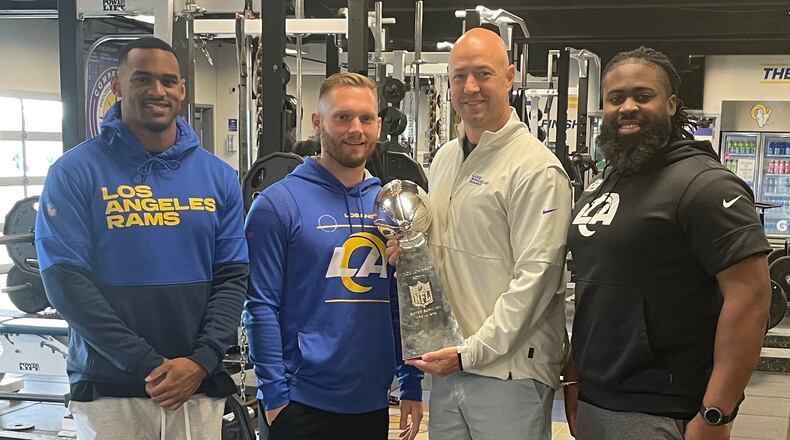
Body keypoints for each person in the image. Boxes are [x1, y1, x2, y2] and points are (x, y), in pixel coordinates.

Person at [35, 37, 249, 439]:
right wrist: (147, 364)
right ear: (117, 85)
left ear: (182, 90)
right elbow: (65, 282)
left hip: (196, 384)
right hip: (110, 391)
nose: (157, 91)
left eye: (169, 81)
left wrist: (201, 361)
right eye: (143, 79)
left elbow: (233, 278)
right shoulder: (74, 172)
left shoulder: (218, 177)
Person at [563, 46, 771, 440]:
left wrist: (716, 414)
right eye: (615, 98)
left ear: (672, 105)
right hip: (596, 398)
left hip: (662, 408)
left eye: (643, 96)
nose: (627, 107)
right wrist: (575, 378)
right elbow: (597, 290)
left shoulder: (705, 185)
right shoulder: (608, 183)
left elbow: (750, 301)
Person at [387, 28, 573, 440]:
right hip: (449, 364)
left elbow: (535, 280)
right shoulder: (445, 159)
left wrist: (470, 353)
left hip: (509, 374)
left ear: (508, 77)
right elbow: (441, 251)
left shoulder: (536, 169)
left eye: (483, 74)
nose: (470, 87)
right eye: (459, 76)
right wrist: (411, 253)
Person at [244, 72, 424, 440]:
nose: (355, 129)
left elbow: (399, 302)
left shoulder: (387, 206)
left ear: (378, 124)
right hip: (301, 404)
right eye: (342, 117)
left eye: (366, 118)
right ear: (317, 122)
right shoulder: (278, 205)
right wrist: (274, 397)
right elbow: (260, 306)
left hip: (372, 403)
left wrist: (410, 383)